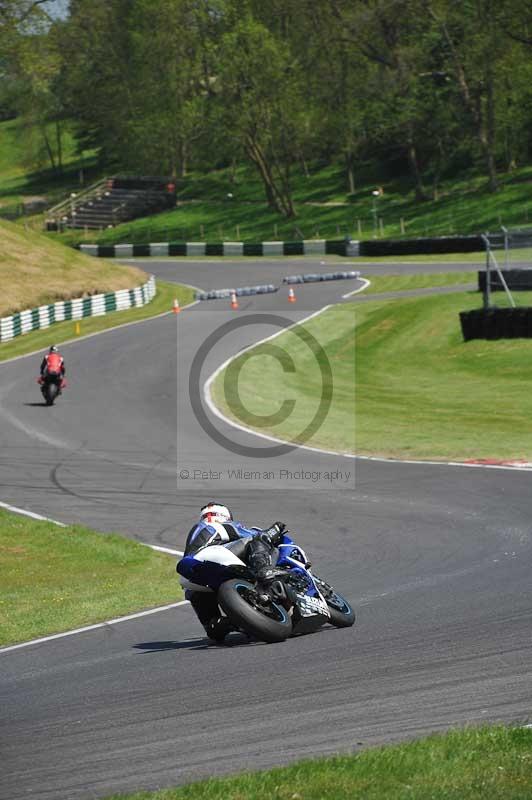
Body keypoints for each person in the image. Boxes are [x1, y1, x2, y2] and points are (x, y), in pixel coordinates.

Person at [179, 502, 287, 642]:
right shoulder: (221, 525)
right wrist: (275, 528)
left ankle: (219, 623)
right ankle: (264, 570)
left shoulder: (197, 532)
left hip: (191, 577)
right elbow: (258, 535)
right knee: (256, 540)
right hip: (214, 558)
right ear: (225, 516)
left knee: (213, 629)